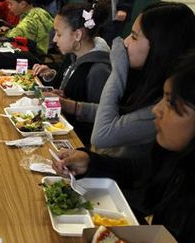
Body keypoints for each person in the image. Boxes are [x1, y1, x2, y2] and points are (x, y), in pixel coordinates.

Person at [51, 50, 195, 242]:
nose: (156, 109)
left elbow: (102, 135)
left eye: (170, 103)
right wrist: (89, 161)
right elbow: (138, 170)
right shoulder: (174, 154)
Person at [90, 2, 195, 158]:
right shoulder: (146, 81)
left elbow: (102, 135)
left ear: (160, 46)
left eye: (133, 36)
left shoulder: (166, 101)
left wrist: (118, 69)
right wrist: (76, 107)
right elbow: (117, 114)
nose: (125, 43)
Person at [31, 0, 110, 145]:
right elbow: (68, 85)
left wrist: (68, 104)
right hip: (59, 127)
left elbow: (103, 114)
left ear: (77, 35)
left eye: (59, 34)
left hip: (77, 141)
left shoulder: (98, 70)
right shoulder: (73, 55)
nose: (54, 39)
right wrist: (51, 75)